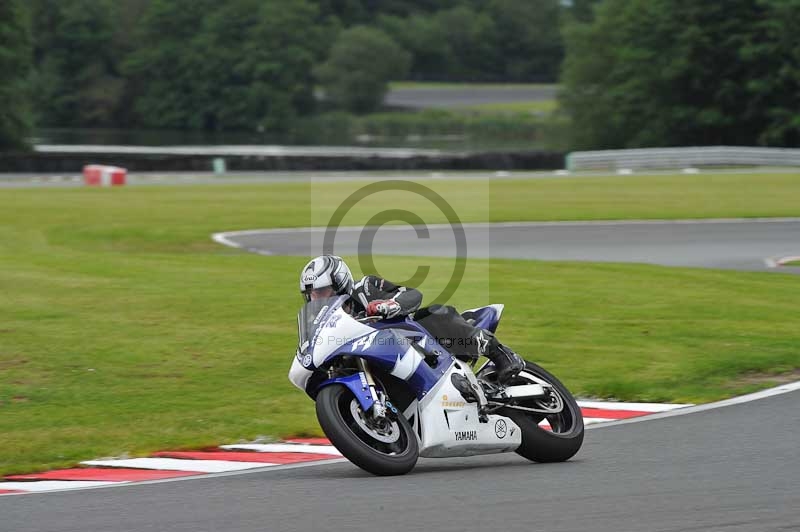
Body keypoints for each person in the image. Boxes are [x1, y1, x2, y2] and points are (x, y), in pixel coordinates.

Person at [299, 255, 524, 384]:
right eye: (312, 296)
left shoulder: (366, 287)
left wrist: (391, 305)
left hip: (414, 341)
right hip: (383, 362)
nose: (316, 299)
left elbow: (411, 294)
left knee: (435, 313)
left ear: (340, 283)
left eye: (322, 292)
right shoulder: (323, 320)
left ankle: (501, 354)